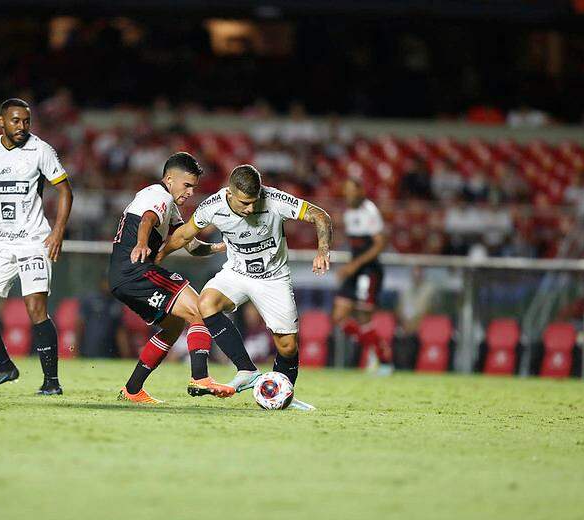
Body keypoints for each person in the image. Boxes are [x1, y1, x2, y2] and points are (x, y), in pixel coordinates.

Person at [158, 164, 333, 410]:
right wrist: (159, 255)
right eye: (244, 203)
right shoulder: (214, 205)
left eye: (254, 201)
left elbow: (319, 215)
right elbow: (185, 235)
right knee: (206, 302)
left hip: (273, 278)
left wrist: (322, 250)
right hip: (237, 273)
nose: (250, 208)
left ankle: (281, 396)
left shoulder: (273, 199)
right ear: (229, 193)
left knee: (288, 346)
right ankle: (246, 369)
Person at [0, 98, 73, 396]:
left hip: (34, 240)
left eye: (26, 121)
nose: (22, 127)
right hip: (1, 242)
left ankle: (51, 382)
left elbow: (65, 191)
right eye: (16, 121)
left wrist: (58, 231)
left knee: (35, 309)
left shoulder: (41, 150)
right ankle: (4, 367)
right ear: (1, 121)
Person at [109, 152, 235, 404]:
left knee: (174, 325)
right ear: (169, 179)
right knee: (200, 309)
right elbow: (147, 219)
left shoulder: (168, 206)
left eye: (193, 187)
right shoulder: (159, 195)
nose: (190, 192)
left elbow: (191, 244)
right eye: (186, 185)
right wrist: (142, 243)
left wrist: (221, 247)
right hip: (136, 270)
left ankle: (132, 390)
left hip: (123, 277)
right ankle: (200, 377)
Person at [332, 177, 391, 374]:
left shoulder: (370, 211)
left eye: (351, 191)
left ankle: (384, 360)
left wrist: (354, 265)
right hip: (355, 269)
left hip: (369, 270)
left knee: (365, 315)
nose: (347, 195)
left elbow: (380, 244)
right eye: (345, 191)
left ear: (360, 192)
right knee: (339, 316)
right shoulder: (349, 214)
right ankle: (376, 347)